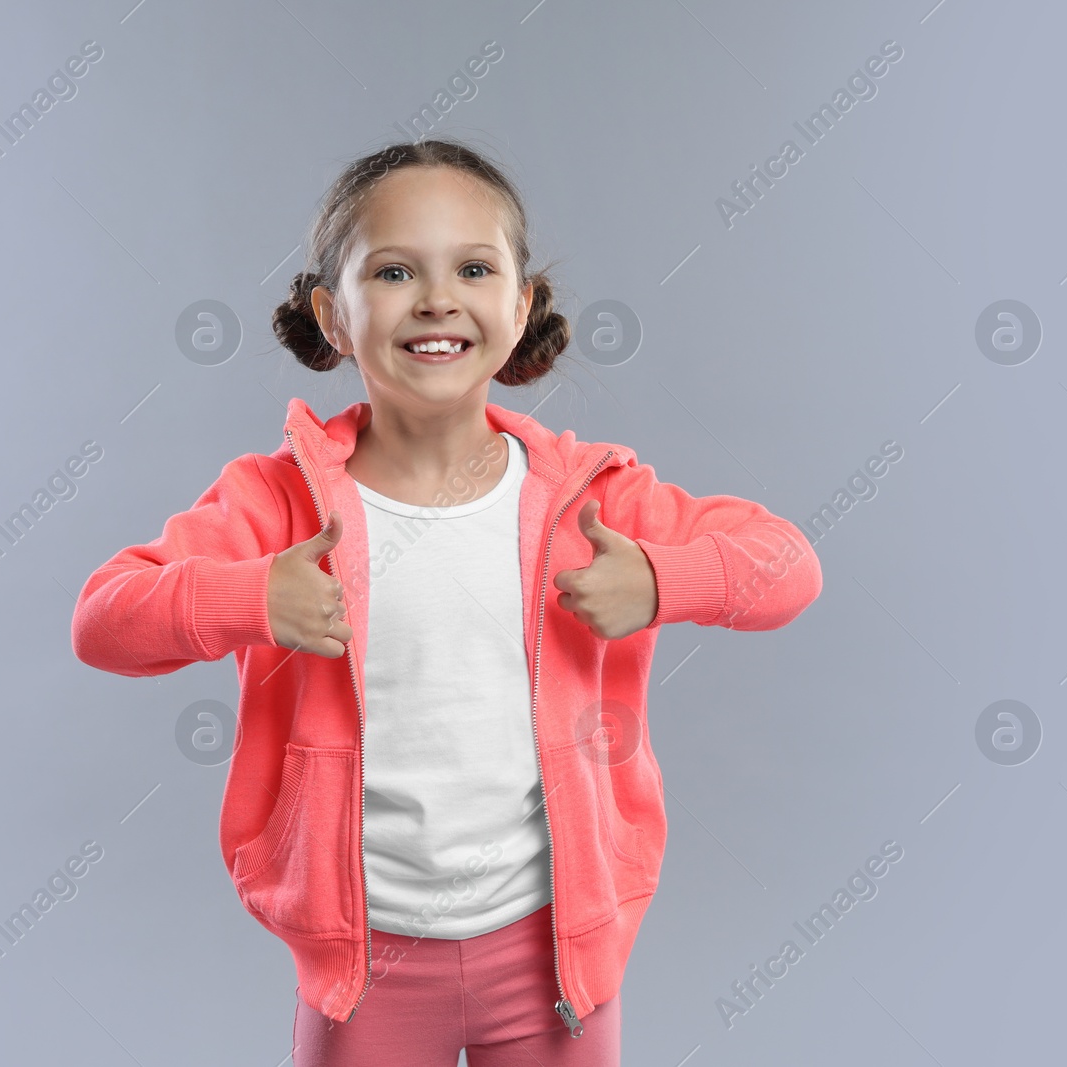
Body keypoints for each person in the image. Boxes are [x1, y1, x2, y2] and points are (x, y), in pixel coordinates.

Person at [70, 137, 823, 1067]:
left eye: (473, 267)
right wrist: (251, 595)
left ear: (520, 306)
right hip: (364, 963)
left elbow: (787, 564)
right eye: (393, 270)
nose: (436, 298)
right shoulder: (274, 505)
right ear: (332, 315)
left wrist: (668, 582)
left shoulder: (590, 499)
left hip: (554, 957)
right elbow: (104, 617)